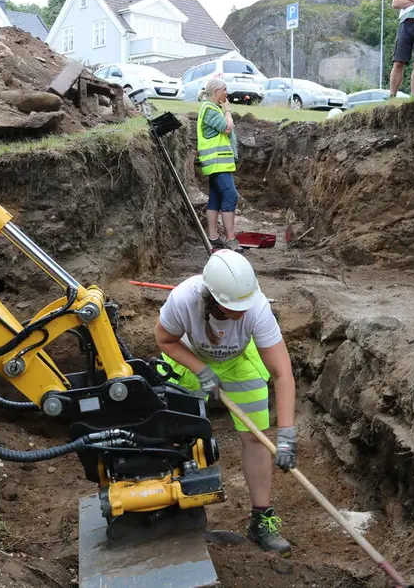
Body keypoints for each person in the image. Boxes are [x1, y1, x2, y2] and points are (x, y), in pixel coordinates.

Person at [155, 250, 298, 555]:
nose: (244, 312)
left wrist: (286, 434)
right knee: (169, 433)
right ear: (216, 300)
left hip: (237, 362)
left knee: (256, 438)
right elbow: (165, 340)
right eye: (237, 308)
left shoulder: (257, 308)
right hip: (189, 360)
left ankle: (261, 520)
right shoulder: (184, 299)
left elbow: (282, 373)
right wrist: (201, 370)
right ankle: (166, 509)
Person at [197, 79, 242, 252]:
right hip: (217, 163)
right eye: (224, 89)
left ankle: (214, 237)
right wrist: (228, 111)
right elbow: (226, 128)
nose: (227, 92)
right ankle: (230, 239)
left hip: (217, 163)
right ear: (215, 92)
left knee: (215, 198)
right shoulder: (210, 109)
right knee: (231, 196)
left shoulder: (211, 108)